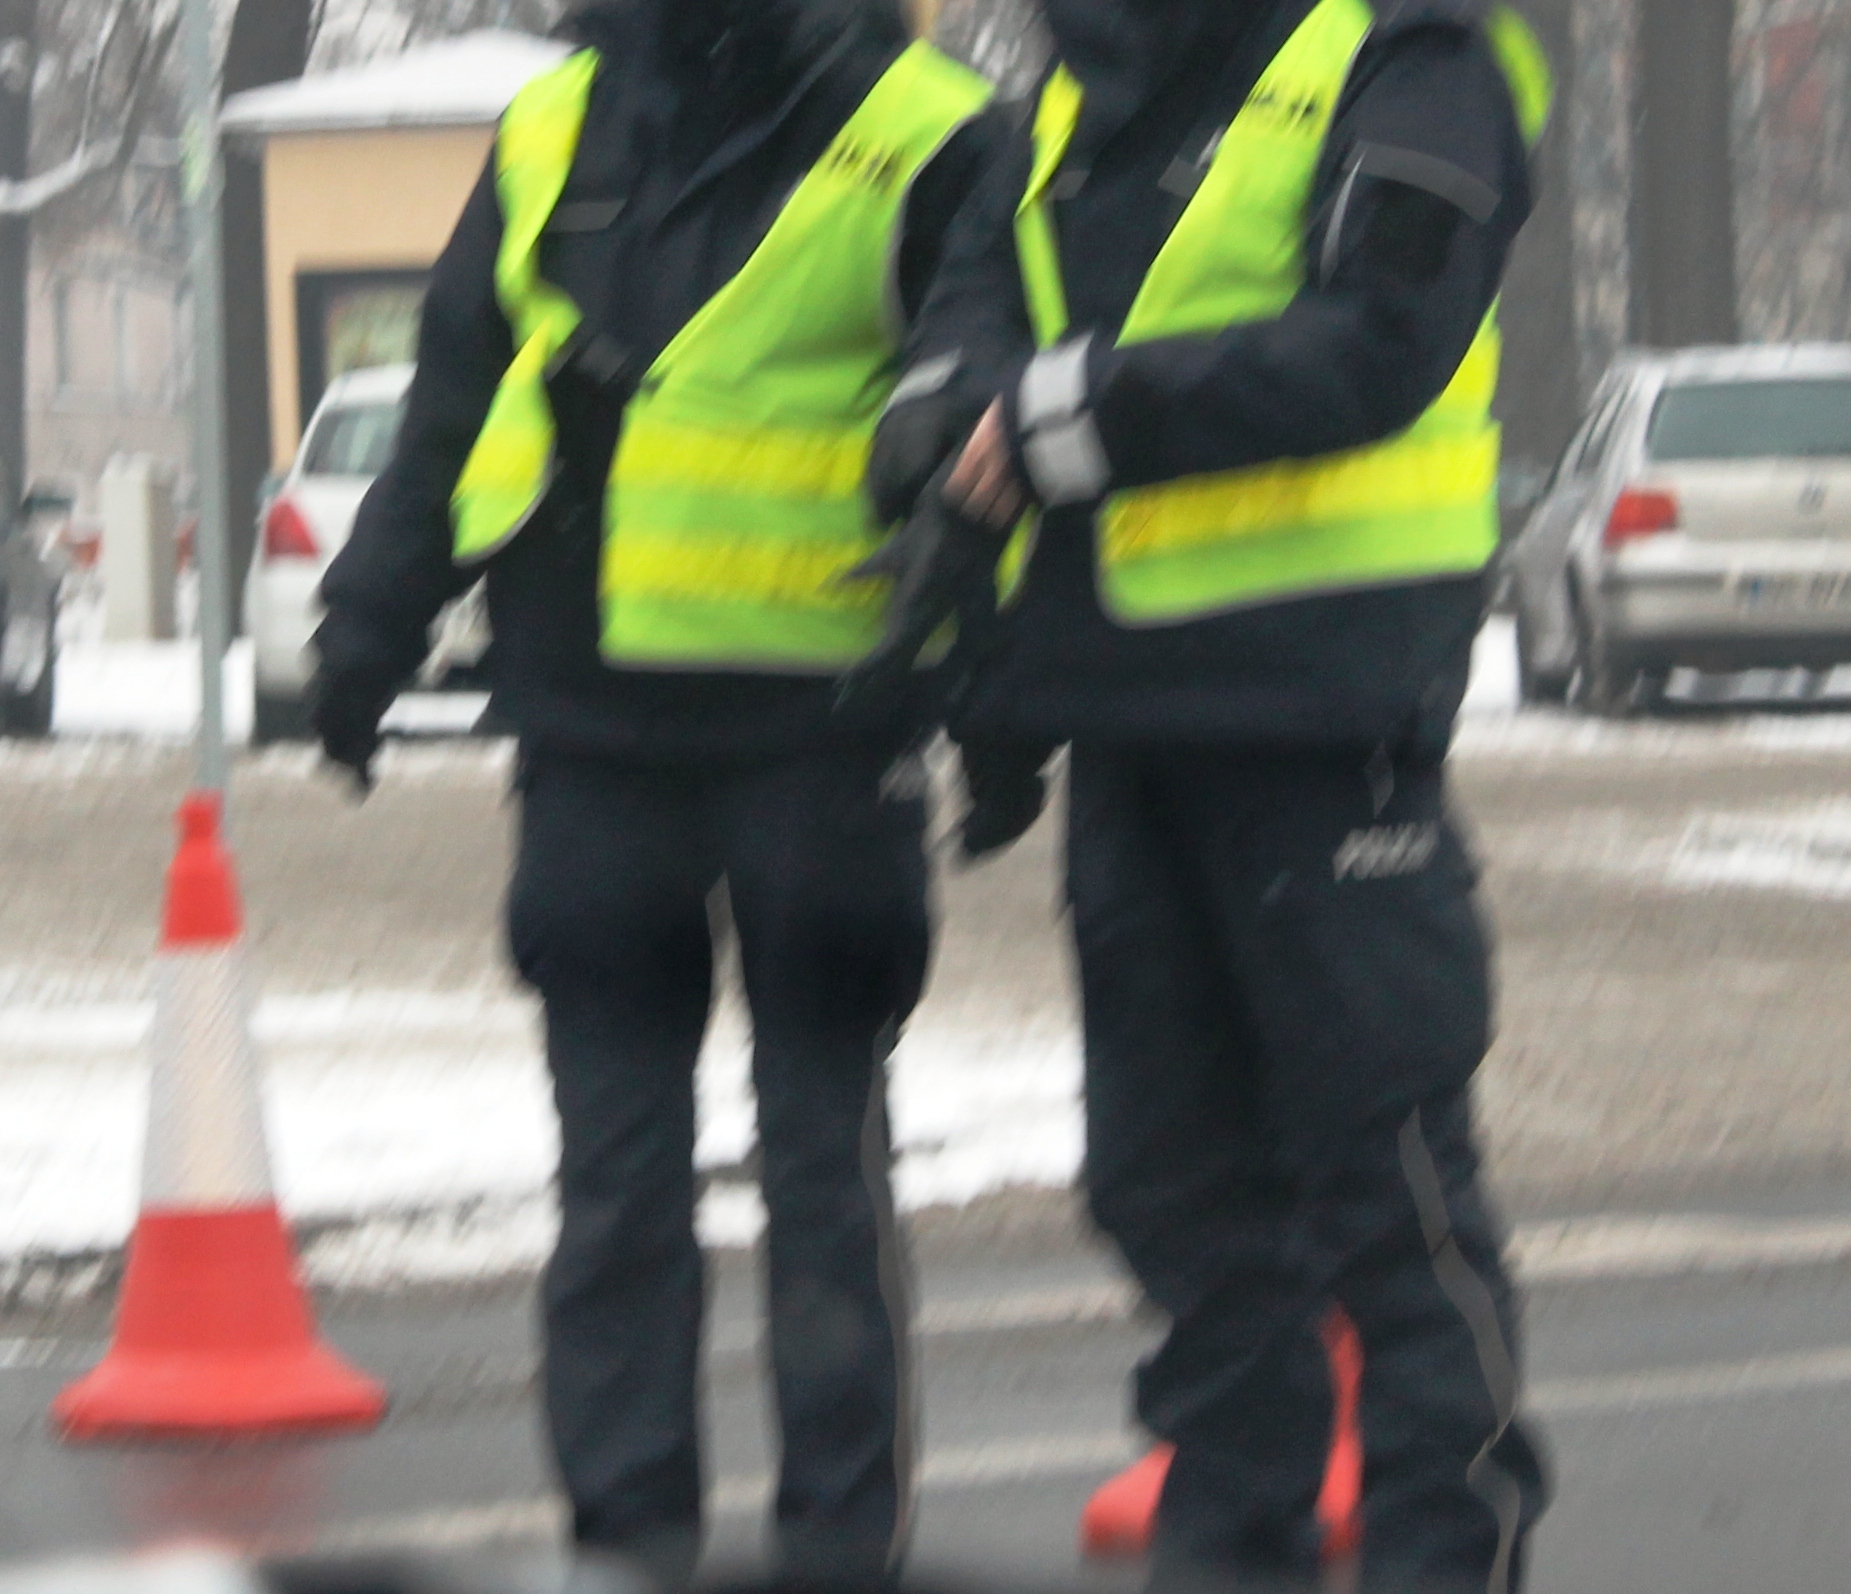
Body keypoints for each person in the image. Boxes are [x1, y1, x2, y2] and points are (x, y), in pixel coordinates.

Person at [863, 0, 1555, 1589]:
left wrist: (1058, 422)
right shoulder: (1080, 82)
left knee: (1392, 1200)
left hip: (1326, 725)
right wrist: (940, 406)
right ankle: (1231, 1550)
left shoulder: (1412, 50)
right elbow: (981, 281)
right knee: (1173, 1190)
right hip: (1131, 732)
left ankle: (1448, 1560)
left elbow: (1381, 339)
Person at [309, 1, 997, 1580]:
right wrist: (368, 619)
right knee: (621, 1188)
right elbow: (455, 397)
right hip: (598, 738)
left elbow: (980, 402)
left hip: (820, 735)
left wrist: (982, 677)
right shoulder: (554, 122)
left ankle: (837, 1546)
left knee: (821, 1171)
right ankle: (628, 1543)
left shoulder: (932, 127)